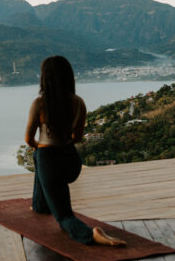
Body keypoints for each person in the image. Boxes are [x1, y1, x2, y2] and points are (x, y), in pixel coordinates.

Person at [25, 55, 125, 247]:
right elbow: (77, 137)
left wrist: (41, 147)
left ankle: (91, 234)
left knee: (64, 216)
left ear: (44, 78)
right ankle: (40, 205)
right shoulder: (79, 102)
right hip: (70, 161)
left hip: (50, 160)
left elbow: (28, 139)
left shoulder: (40, 104)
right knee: (39, 157)